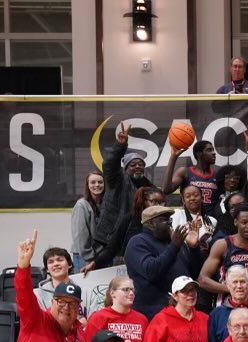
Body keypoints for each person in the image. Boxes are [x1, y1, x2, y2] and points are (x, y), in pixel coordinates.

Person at [124, 204, 203, 321]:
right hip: (153, 312)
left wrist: (194, 248)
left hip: (181, 309)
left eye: (170, 219)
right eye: (164, 220)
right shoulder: (137, 242)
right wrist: (174, 247)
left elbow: (194, 273)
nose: (169, 223)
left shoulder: (174, 242)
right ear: (150, 223)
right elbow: (152, 271)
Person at [91, 125, 154, 265]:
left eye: (140, 164)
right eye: (133, 165)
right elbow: (109, 164)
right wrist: (120, 146)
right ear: (125, 169)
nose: (138, 166)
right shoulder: (117, 180)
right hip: (111, 244)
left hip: (134, 243)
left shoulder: (148, 187)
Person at [142, 276, 209, 342]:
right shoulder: (162, 319)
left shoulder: (205, 319)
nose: (190, 294)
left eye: (192, 289)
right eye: (184, 291)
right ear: (174, 296)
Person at [199, 201, 248, 305]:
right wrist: (233, 289)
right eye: (244, 222)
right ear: (235, 222)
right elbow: (203, 279)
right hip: (227, 302)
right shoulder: (222, 245)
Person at [70, 170, 104, 272]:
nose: (97, 185)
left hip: (99, 257)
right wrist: (89, 258)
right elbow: (80, 235)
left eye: (100, 182)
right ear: (87, 185)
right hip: (84, 257)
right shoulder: (81, 205)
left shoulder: (105, 205)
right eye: (93, 182)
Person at [34, 247, 82, 313]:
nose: (56, 264)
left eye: (60, 260)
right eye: (51, 262)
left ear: (69, 264)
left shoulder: (83, 290)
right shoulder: (37, 294)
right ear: (47, 269)